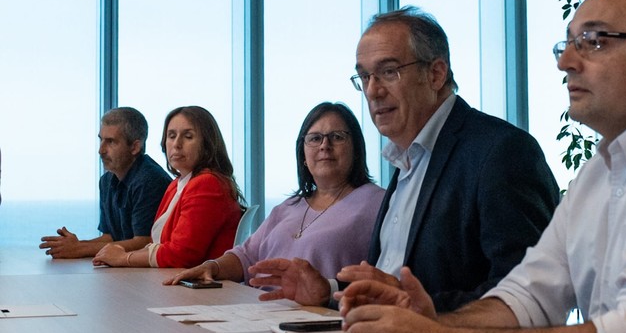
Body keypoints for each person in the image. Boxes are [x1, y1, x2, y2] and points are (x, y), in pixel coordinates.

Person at [338, 0, 626, 333]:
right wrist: (432, 323)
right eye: (565, 44)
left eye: (594, 41)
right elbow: (527, 297)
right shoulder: (600, 172)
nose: (565, 61)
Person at [248, 7, 560, 312]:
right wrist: (328, 290)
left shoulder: (500, 152)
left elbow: (528, 296)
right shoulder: (407, 162)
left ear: (435, 74)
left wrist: (417, 308)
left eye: (388, 72)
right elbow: (389, 281)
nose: (373, 91)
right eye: (364, 77)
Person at [163, 102, 385, 287]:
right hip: (260, 313)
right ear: (304, 156)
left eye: (337, 137)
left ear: (357, 149)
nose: (325, 145)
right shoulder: (289, 206)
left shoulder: (377, 203)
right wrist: (213, 266)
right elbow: (246, 256)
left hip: (322, 320)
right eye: (315, 138)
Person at [93, 106, 244, 268]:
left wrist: (123, 258)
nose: (177, 144)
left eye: (188, 136)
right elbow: (157, 245)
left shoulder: (208, 184)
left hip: (202, 288)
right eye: (171, 136)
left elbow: (181, 254)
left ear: (206, 144)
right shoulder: (176, 185)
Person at [40, 107, 171, 258]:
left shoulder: (150, 180)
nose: (101, 150)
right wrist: (75, 245)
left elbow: (145, 242)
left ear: (135, 147)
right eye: (101, 140)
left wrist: (80, 249)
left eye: (111, 142)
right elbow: (111, 237)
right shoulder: (106, 181)